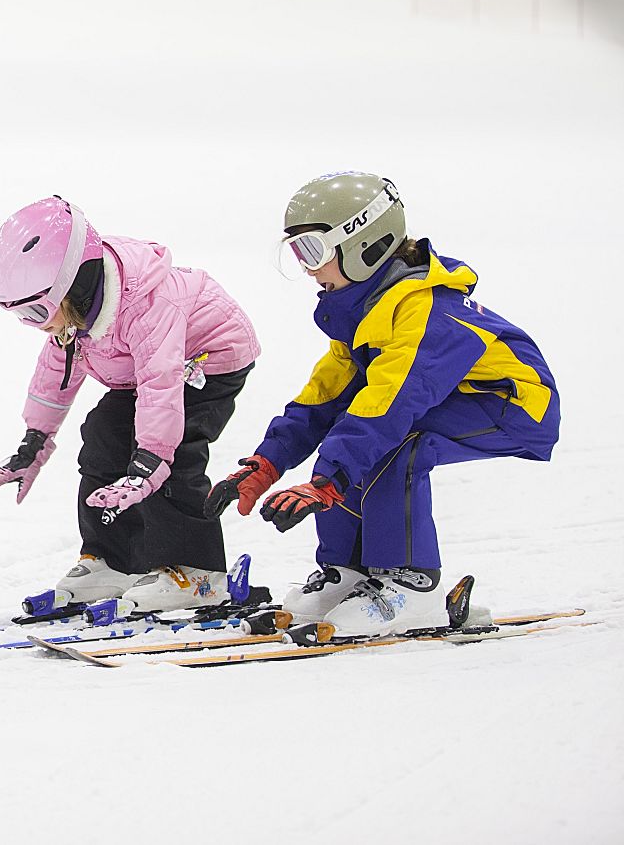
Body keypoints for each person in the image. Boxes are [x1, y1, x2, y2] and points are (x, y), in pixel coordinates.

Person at [202, 172, 559, 637]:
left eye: (312, 251)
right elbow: (325, 396)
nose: (307, 269)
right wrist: (267, 462)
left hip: (511, 403)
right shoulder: (369, 309)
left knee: (398, 443)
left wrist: (326, 480)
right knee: (356, 438)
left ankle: (411, 584)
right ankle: (347, 572)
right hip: (444, 398)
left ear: (366, 244)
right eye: (295, 254)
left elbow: (390, 405)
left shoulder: (426, 311)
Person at [0, 196, 260, 613]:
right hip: (149, 369)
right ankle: (113, 562)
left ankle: (197, 571)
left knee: (170, 452)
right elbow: (55, 377)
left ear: (73, 284)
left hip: (208, 358)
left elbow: (161, 386)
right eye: (22, 316)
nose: (36, 325)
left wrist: (149, 460)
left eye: (38, 310)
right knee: (104, 433)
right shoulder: (72, 314)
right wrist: (33, 443)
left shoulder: (149, 304)